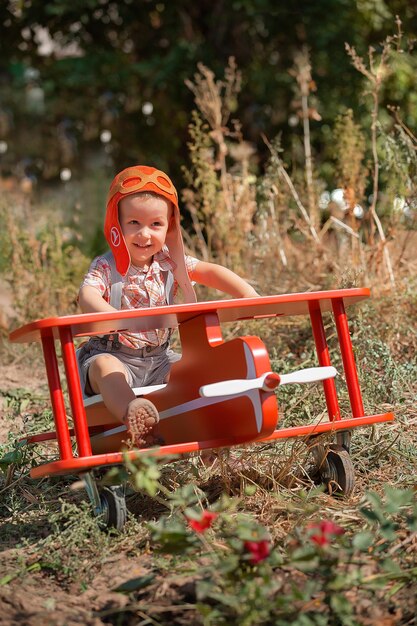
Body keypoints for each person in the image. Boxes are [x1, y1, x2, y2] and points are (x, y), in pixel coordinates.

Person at [77, 165, 258, 447]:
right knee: (105, 367)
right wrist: (113, 317)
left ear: (169, 226)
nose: (144, 234)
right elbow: (87, 294)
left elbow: (208, 271)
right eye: (134, 223)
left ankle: (207, 437)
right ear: (116, 224)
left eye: (155, 225)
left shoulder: (169, 263)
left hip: (160, 358)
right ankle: (134, 414)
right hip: (114, 353)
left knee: (193, 373)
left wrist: (247, 294)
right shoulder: (106, 266)